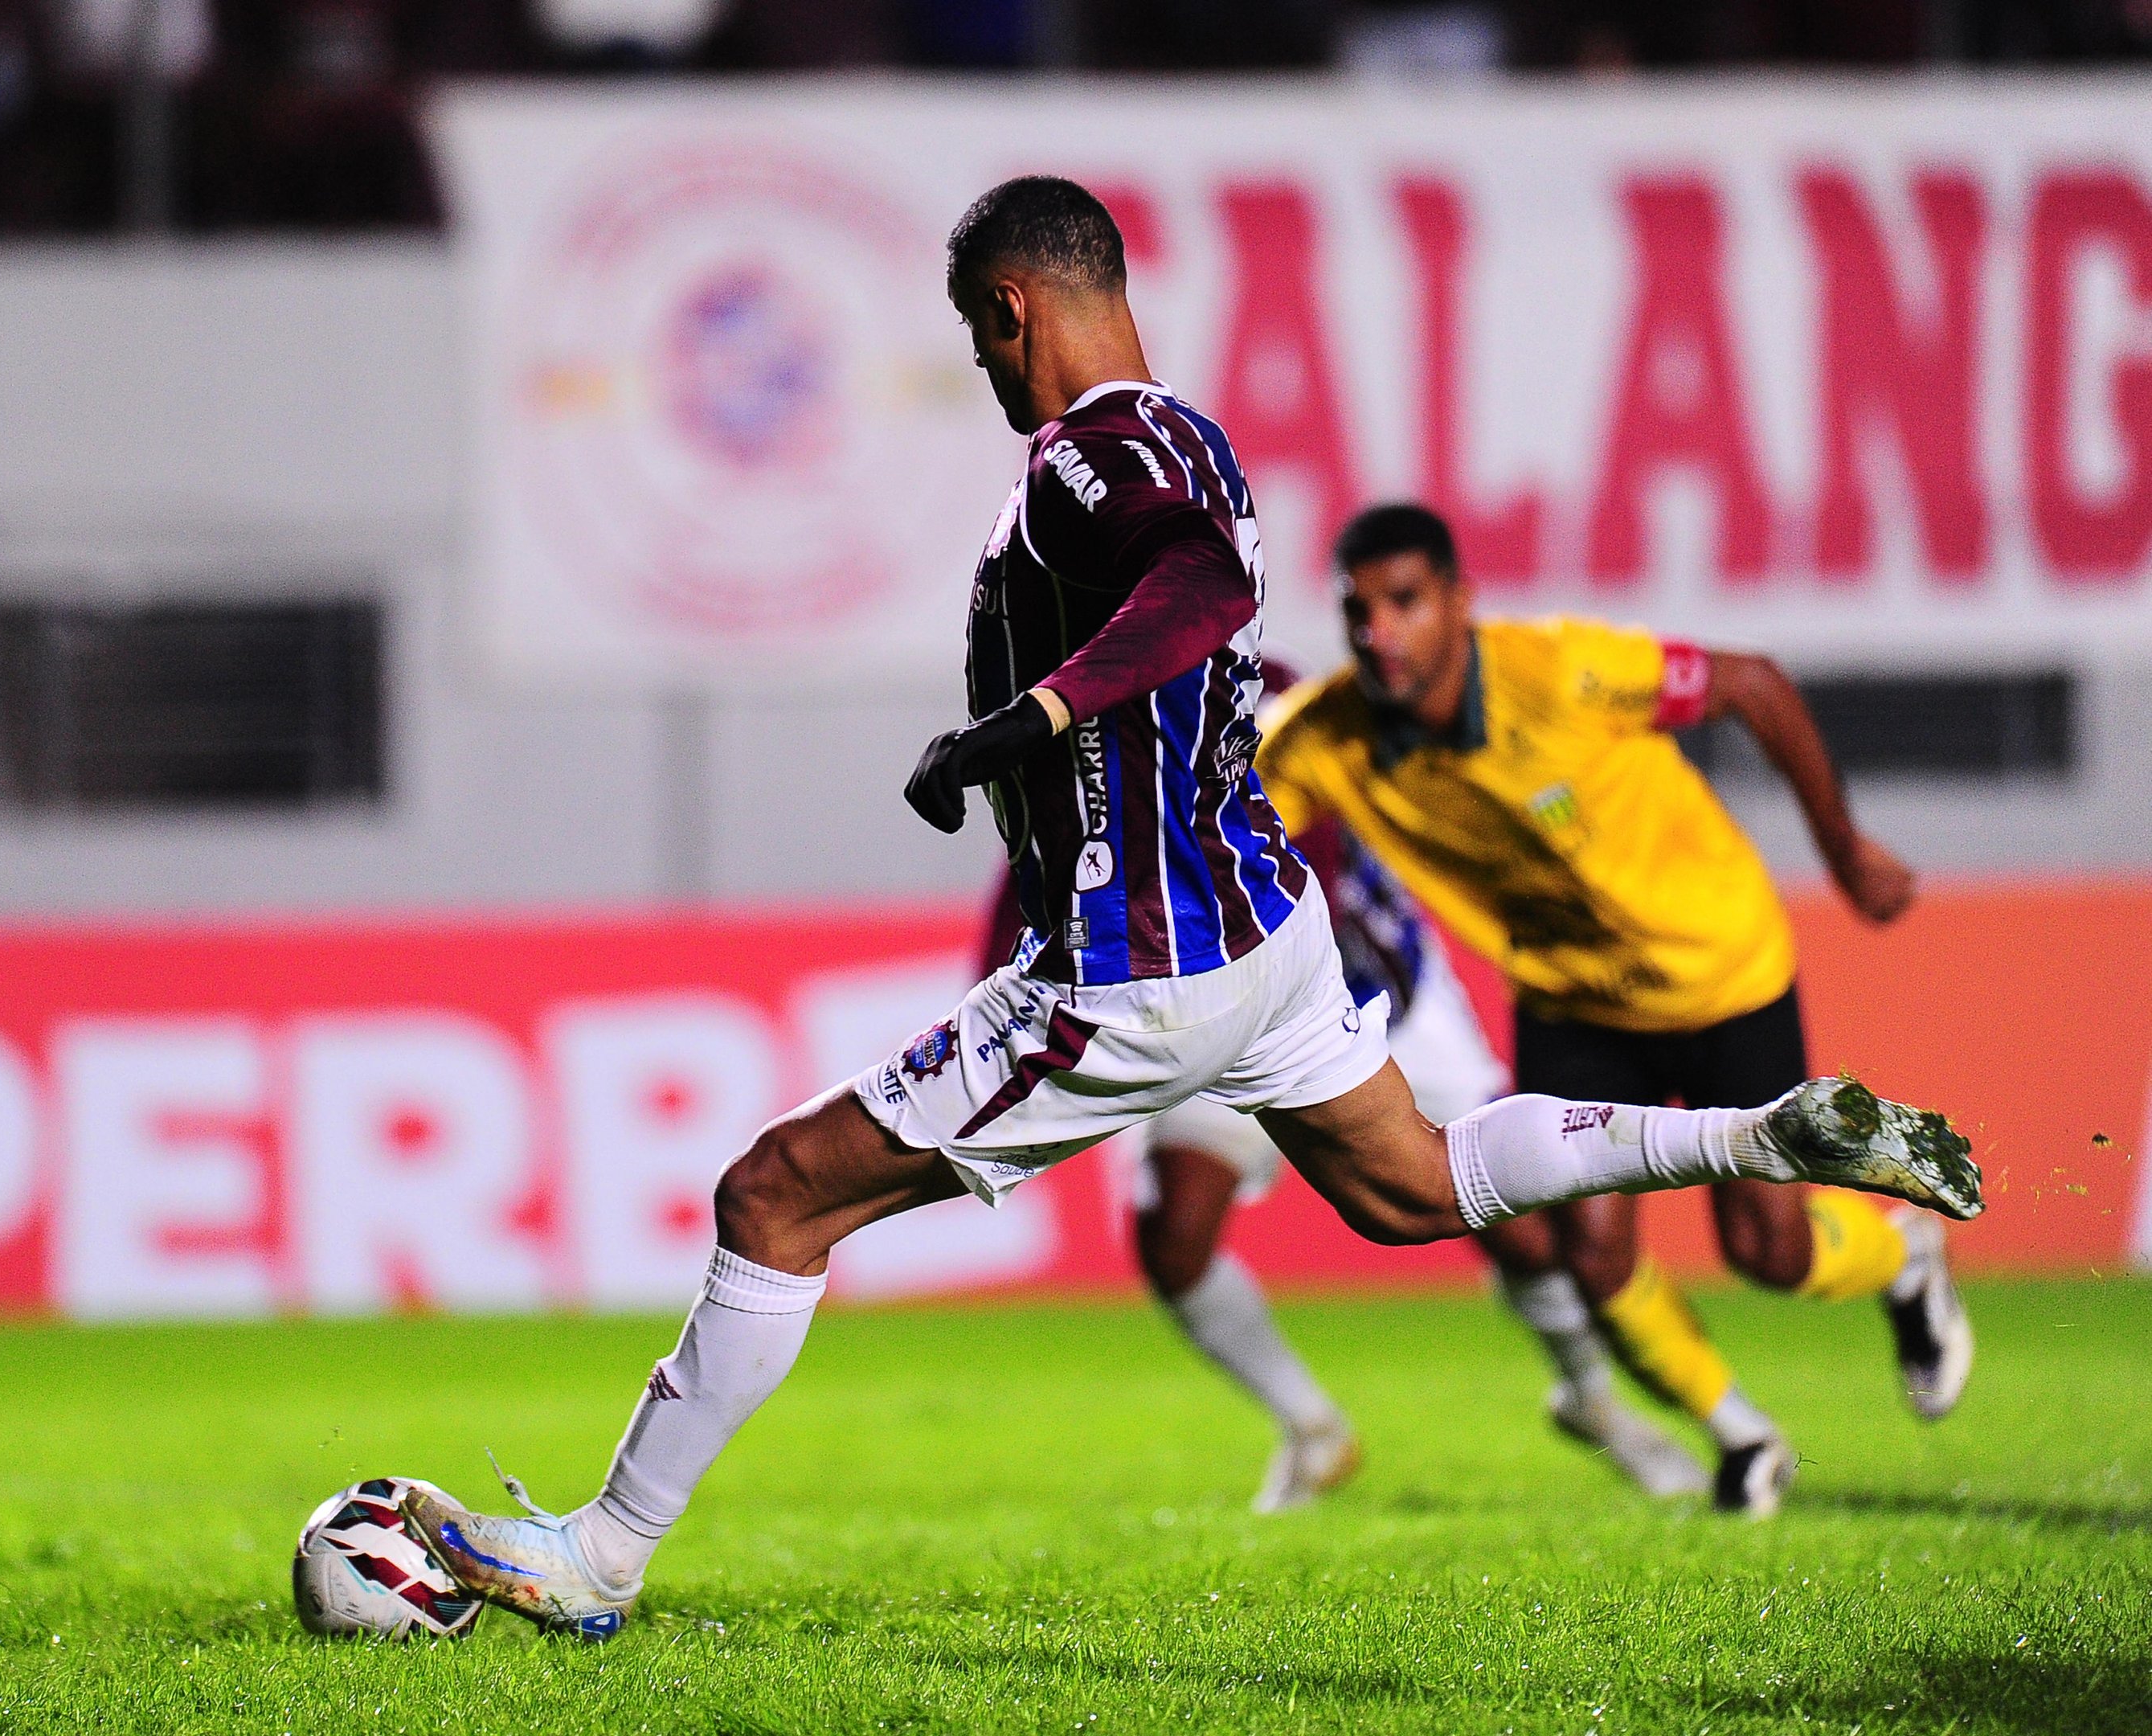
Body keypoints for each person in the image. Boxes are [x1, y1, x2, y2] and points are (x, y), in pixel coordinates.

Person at [404, 177, 1982, 1638]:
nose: (985, 368)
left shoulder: (1090, 450)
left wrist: (1025, 720)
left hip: (1136, 966)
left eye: (978, 337)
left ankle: (598, 1557)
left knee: (771, 1199)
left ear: (1012, 307)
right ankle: (1755, 1136)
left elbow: (1199, 586)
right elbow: (1201, 594)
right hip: (1262, 935)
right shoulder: (1184, 438)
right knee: (1412, 1186)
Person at [1254, 502, 1977, 1517]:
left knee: (1769, 1252)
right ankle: (1742, 1435)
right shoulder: (1321, 738)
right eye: (1357, 611)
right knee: (1590, 1256)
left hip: (1716, 971)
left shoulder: (1565, 671)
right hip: (1572, 999)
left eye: (1405, 602)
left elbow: (1753, 684)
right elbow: (1220, 832)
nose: (1380, 633)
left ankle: (1904, 1259)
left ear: (1459, 602)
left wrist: (1845, 849)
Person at [983, 731, 1704, 1513]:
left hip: (1375, 993)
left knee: (1514, 1223)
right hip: (1216, 1005)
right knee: (1173, 1228)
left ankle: (1592, 1398)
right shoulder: (1076, 726)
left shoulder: (1246, 692)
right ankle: (1312, 1428)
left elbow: (1302, 844)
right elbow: (1029, 884)